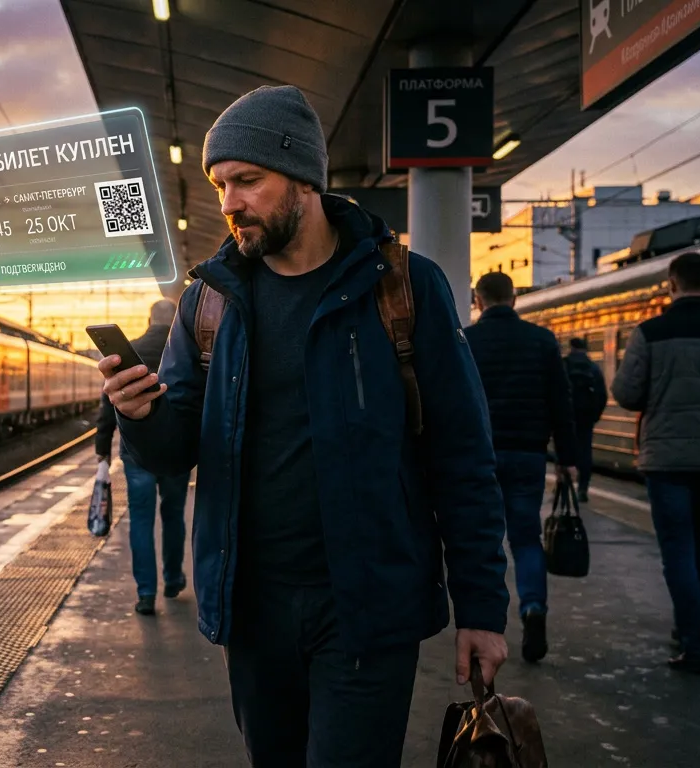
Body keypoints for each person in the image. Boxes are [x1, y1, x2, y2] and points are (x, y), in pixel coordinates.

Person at [97, 84, 509, 767]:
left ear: (304, 181)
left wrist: (483, 609)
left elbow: (462, 459)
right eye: (221, 184)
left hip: (368, 610)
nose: (228, 202)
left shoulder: (402, 288)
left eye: (247, 181)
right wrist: (139, 416)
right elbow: (176, 451)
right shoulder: (210, 302)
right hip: (254, 611)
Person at [612, 250, 700, 676]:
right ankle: (687, 628)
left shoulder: (651, 333)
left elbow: (625, 393)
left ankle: (695, 644)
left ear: (671, 285)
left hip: (667, 460)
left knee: (677, 549)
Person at [463, 271, 579, 664]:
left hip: (479, 456)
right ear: (514, 299)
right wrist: (567, 458)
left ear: (478, 300)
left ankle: (488, 623)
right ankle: (533, 608)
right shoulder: (542, 341)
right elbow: (561, 404)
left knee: (484, 539)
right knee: (526, 538)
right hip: (529, 455)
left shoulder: (468, 341)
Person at [94, 300, 191, 616]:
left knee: (141, 519)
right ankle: (173, 579)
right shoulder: (182, 352)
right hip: (176, 447)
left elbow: (110, 406)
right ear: (175, 320)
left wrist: (102, 452)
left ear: (150, 320)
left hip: (136, 454)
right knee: (173, 515)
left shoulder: (128, 352)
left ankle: (146, 593)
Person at [564, 336, 608, 501]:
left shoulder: (565, 365)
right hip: (586, 419)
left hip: (567, 418)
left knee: (565, 452)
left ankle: (564, 487)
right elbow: (602, 395)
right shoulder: (593, 368)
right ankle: (583, 488)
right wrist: (594, 416)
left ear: (571, 348)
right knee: (585, 453)